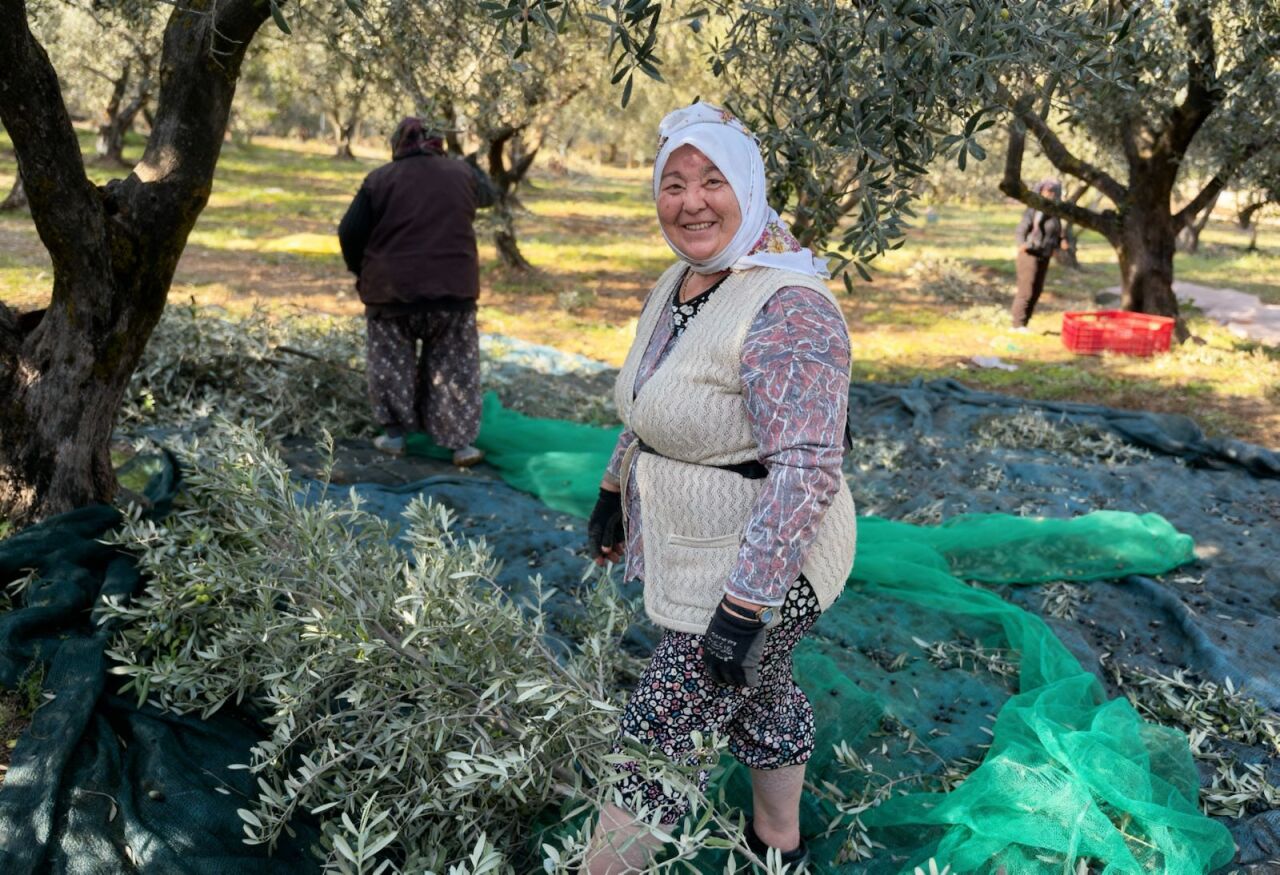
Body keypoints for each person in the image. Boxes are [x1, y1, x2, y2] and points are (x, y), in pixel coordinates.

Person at [583, 102, 857, 872]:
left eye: (711, 181)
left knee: (657, 739)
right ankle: (782, 846)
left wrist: (745, 606)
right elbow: (652, 400)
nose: (690, 201)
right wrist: (615, 488)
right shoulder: (680, 280)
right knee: (762, 694)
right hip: (702, 543)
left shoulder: (787, 307)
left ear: (748, 187)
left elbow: (807, 469)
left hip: (774, 562)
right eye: (673, 183)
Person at [337, 117, 496, 466]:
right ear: (438, 142)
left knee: (391, 364)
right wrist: (471, 164)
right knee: (455, 367)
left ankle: (395, 437)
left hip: (391, 292)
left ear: (398, 143)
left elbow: (349, 231)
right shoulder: (462, 175)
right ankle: (460, 446)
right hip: (453, 293)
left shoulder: (379, 180)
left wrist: (360, 270)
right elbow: (489, 197)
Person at [1010, 178, 1070, 330]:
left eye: (1054, 191)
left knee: (1037, 290)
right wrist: (1022, 244)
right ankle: (1017, 325)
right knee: (1026, 290)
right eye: (1048, 191)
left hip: (1044, 255)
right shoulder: (1034, 210)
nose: (1051, 194)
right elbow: (1022, 228)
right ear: (1041, 191)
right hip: (1030, 254)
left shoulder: (1054, 213)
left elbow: (1054, 233)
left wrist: (1060, 243)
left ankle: (1025, 323)